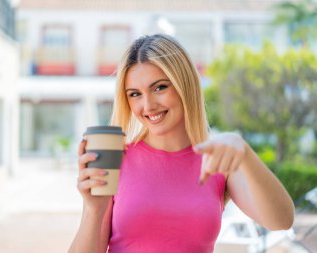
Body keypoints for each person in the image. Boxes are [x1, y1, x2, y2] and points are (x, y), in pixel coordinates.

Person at [69, 34, 294, 253]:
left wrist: (243, 151)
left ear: (184, 85)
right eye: (135, 94)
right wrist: (93, 210)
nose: (148, 106)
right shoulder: (116, 158)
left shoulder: (216, 161)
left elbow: (281, 220)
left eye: (160, 88)